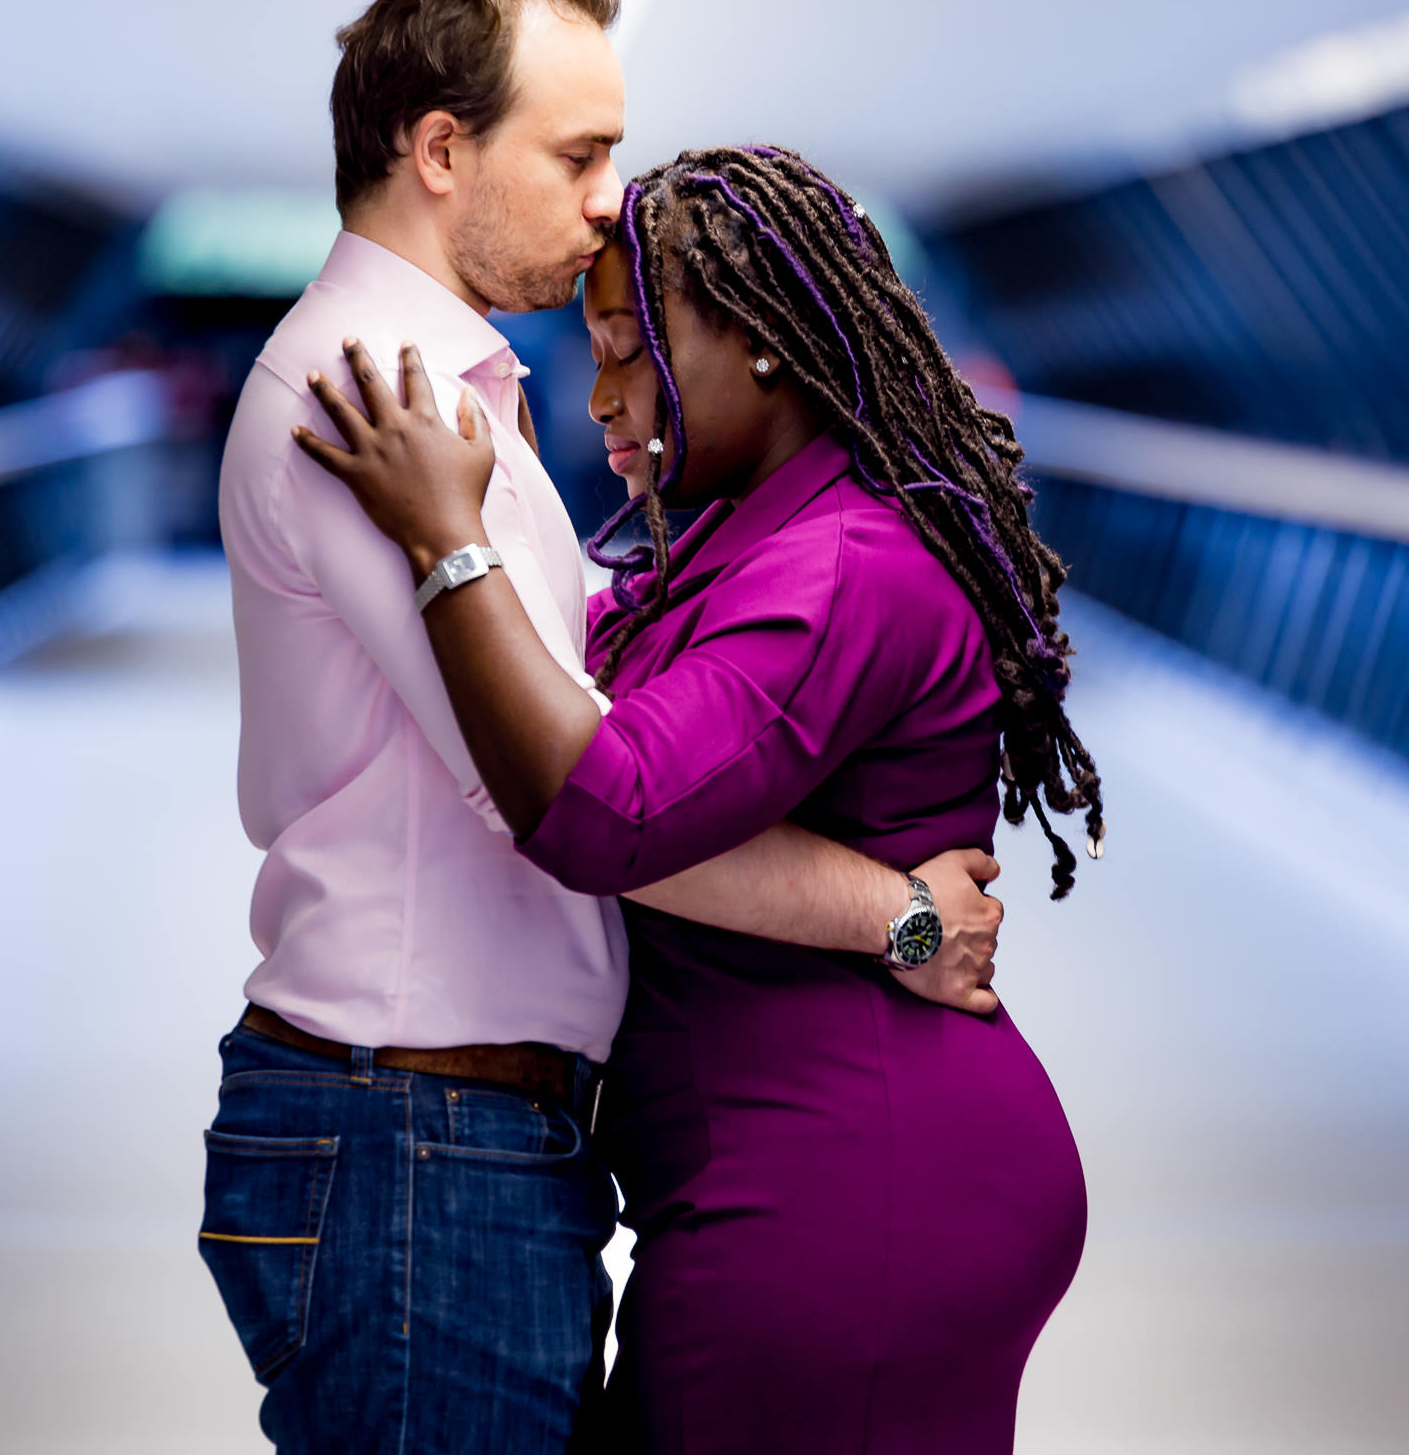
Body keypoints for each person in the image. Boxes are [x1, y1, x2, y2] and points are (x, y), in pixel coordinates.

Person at [208, 0, 1007, 1454]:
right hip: (409, 1132)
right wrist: (899, 915)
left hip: (445, 1132)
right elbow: (584, 799)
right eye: (578, 154)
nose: (605, 199)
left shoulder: (455, 401)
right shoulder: (372, 396)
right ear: (442, 151)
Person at [293, 142, 1103, 1453]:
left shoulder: (837, 570)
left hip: (849, 1197)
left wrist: (450, 541)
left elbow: (605, 804)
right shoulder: (748, 532)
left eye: (629, 350)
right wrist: (894, 914)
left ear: (762, 341)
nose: (600, 396)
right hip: (813, 1178)